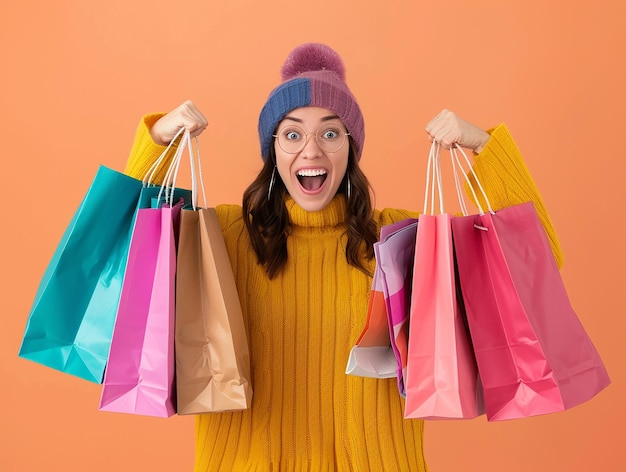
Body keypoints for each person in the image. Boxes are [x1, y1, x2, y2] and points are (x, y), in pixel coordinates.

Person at [124, 43, 562, 471]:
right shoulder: (225, 237)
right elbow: (126, 269)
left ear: (350, 148)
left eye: (330, 133)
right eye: (292, 133)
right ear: (273, 150)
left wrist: (483, 148)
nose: (311, 151)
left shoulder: (405, 242)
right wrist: (157, 143)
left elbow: (533, 266)